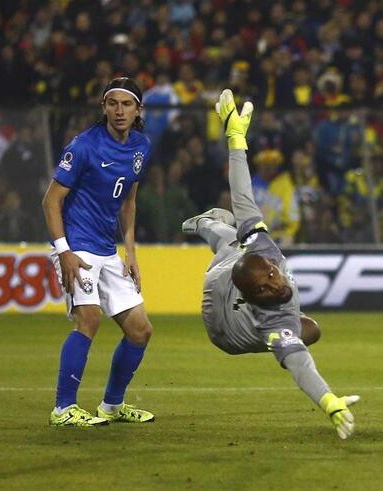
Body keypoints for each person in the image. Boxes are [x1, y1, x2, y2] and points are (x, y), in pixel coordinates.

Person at [182, 89, 360, 439]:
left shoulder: (265, 249)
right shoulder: (271, 319)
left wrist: (236, 139)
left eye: (271, 276)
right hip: (223, 322)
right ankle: (204, 223)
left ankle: (210, 225)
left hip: (238, 273)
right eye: (263, 289)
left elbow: (242, 193)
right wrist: (328, 402)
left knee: (239, 235)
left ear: (273, 265)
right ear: (251, 297)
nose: (273, 285)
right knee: (227, 241)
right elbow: (298, 364)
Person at [41, 77, 155, 427]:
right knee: (88, 319)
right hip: (77, 247)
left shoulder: (141, 147)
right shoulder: (84, 146)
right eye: (112, 103)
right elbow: (51, 201)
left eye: (126, 104)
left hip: (108, 250)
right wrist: (64, 252)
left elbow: (129, 203)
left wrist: (130, 253)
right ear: (103, 107)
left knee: (140, 330)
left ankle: (112, 406)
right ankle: (64, 408)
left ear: (138, 110)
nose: (119, 111)